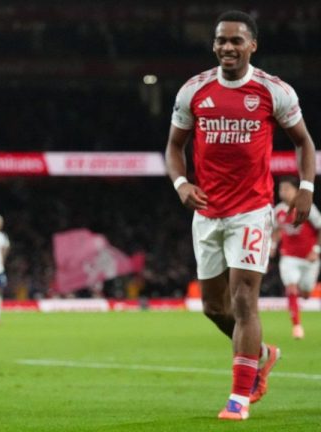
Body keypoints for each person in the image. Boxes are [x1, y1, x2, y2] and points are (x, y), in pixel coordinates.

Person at [164, 10, 316, 421]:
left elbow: (303, 142)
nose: (227, 47)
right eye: (221, 40)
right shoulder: (193, 90)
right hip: (206, 213)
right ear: (214, 45)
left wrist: (306, 188)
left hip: (251, 211)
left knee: (244, 299)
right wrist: (181, 185)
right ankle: (263, 356)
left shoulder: (273, 90)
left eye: (236, 41)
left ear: (252, 45)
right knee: (214, 307)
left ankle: (239, 397)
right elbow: (174, 148)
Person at [271, 177, 321, 339]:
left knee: (306, 292)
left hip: (309, 259)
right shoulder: (278, 210)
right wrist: (272, 247)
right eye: (281, 189)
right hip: (289, 257)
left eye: (286, 189)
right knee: (291, 288)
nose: (283, 192)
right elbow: (277, 230)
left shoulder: (307, 208)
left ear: (296, 191)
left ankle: (303, 292)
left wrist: (316, 250)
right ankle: (297, 326)